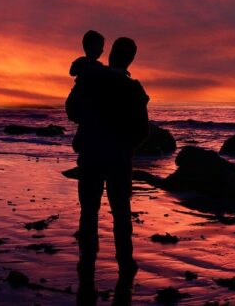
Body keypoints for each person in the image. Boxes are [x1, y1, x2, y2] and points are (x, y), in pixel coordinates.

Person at [66, 37, 149, 304]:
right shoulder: (133, 89)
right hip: (118, 159)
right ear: (131, 59)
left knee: (89, 211)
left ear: (112, 54)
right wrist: (127, 148)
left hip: (91, 154)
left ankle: (87, 260)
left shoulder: (92, 79)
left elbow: (72, 111)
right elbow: (142, 131)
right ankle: (125, 263)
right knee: (121, 212)